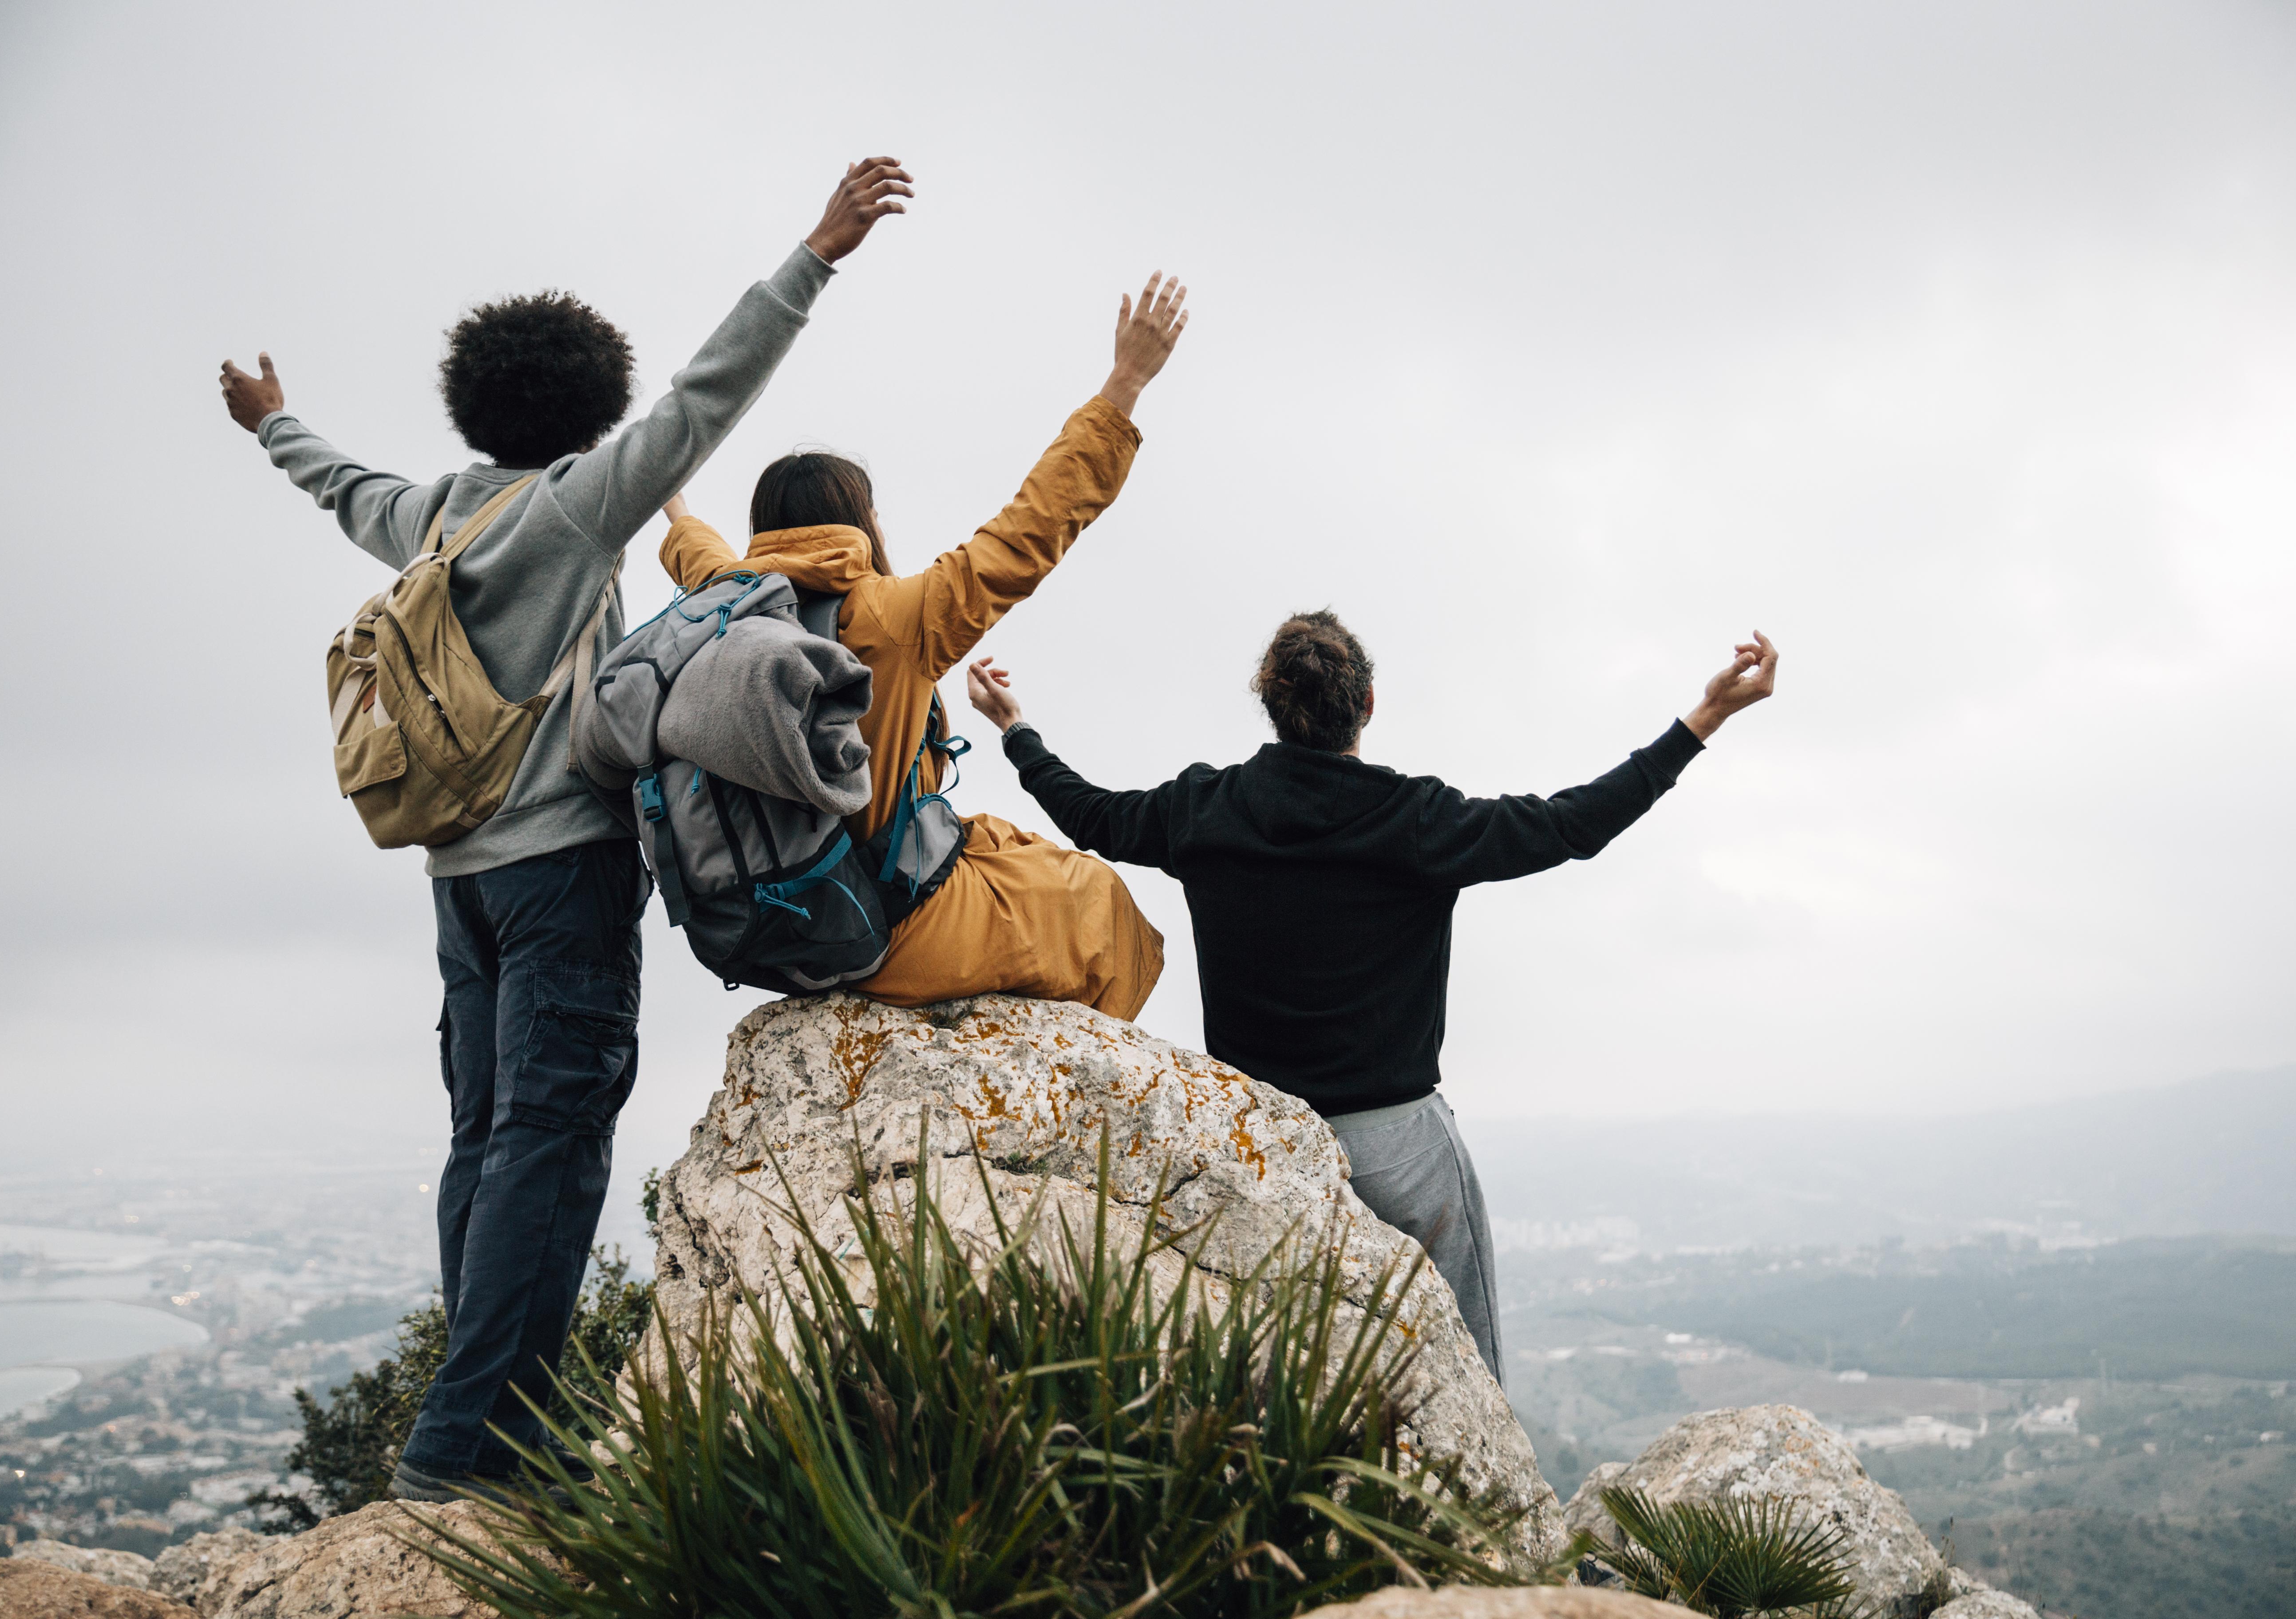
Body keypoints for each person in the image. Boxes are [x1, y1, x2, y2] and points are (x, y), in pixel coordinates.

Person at [215, 158, 913, 1501]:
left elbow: (339, 483)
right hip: (560, 879)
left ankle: (501, 1439)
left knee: (488, 1136)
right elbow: (706, 400)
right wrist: (814, 255)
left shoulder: (431, 516)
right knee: (553, 1135)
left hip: (458, 887)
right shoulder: (571, 510)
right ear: (588, 410)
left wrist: (272, 422)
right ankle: (463, 1457)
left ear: (474, 401)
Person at [961, 614, 1779, 1378]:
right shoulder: (1414, 820)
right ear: (1369, 705)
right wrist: (1702, 721)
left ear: (1272, 709)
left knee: (1288, 1369)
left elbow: (1092, 815)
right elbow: (1572, 824)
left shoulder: (1203, 810)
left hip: (1259, 1141)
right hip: (1402, 1149)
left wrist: (1016, 732)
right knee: (1463, 1366)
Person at [652, 273, 1190, 1019]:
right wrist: (1126, 382)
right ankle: (1084, 1089)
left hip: (781, 911)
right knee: (1103, 906)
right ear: (861, 523)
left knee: (1007, 844)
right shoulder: (895, 617)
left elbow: (696, 552)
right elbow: (1031, 530)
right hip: (893, 922)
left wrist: (665, 491)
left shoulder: (726, 611)